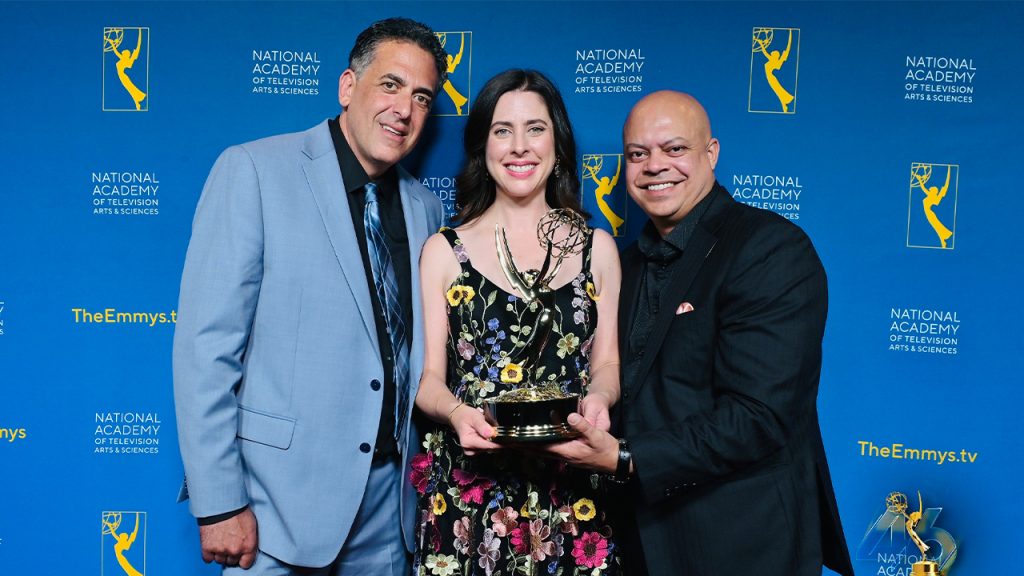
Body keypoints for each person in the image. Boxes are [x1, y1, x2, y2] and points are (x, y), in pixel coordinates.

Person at [172, 18, 446, 575]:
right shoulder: (254, 171)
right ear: (349, 87)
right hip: (278, 508)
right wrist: (220, 501)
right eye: (390, 85)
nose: (404, 109)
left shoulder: (427, 210)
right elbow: (206, 348)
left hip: (391, 512)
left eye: (422, 97)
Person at [545, 91, 855, 576]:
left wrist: (626, 458)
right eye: (637, 154)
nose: (654, 166)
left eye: (674, 149)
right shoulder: (621, 267)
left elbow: (759, 415)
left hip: (744, 544)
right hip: (638, 543)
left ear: (710, 153)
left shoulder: (770, 249)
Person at [410, 69, 623, 575]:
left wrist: (600, 398)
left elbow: (608, 362)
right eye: (502, 130)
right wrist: (457, 412)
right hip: (469, 502)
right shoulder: (444, 251)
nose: (519, 146)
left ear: (558, 142)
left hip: (571, 497)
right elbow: (427, 382)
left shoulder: (598, 249)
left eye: (536, 128)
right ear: (483, 145)